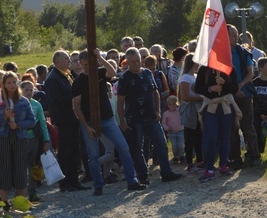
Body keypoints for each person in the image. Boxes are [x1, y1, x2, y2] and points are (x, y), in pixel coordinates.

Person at [72, 49, 147, 195]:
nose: (88, 67)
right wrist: (86, 126)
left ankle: (132, 180)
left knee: (123, 147)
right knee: (93, 155)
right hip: (89, 121)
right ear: (81, 64)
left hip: (107, 118)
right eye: (85, 64)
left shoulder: (100, 72)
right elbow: (76, 106)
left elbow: (112, 72)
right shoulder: (78, 82)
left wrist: (100, 57)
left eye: (90, 64)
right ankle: (98, 184)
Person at [116, 48, 182, 184]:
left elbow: (155, 93)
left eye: (137, 61)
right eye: (132, 62)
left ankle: (166, 172)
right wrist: (122, 122)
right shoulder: (124, 78)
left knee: (161, 144)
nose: (136, 64)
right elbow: (120, 101)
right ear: (127, 62)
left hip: (151, 116)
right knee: (137, 148)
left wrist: (158, 111)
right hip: (134, 119)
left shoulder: (147, 73)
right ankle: (143, 175)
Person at [44, 50, 90, 192]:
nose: (69, 61)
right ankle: (65, 183)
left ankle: (74, 180)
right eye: (65, 58)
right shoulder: (53, 79)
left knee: (74, 150)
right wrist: (74, 94)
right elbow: (55, 101)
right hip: (64, 120)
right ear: (57, 62)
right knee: (65, 151)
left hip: (72, 118)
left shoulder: (66, 75)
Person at [0, 71, 36, 206]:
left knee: (20, 169)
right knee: (4, 169)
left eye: (14, 82)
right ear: (3, 84)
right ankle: (4, 202)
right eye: (8, 83)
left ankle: (20, 201)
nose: (12, 85)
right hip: (3, 139)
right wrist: (4, 116)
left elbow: (32, 120)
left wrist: (18, 125)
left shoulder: (24, 101)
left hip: (20, 138)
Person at [194, 63, 240, 180]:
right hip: (211, 107)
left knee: (225, 137)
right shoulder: (204, 69)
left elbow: (235, 88)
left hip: (225, 107)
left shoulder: (229, 67)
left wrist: (225, 83)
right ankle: (209, 168)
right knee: (210, 138)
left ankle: (223, 165)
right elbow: (197, 88)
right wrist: (210, 88)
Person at [228, 25, 260, 168]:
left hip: (245, 94)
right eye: (233, 35)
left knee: (248, 126)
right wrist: (234, 90)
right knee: (232, 129)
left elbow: (250, 73)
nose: (236, 38)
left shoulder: (243, 53)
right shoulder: (219, 55)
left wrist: (240, 86)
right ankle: (235, 158)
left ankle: (254, 155)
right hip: (228, 97)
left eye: (236, 35)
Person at [19, 79, 51, 202]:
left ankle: (32, 193)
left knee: (33, 166)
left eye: (31, 89)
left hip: (33, 139)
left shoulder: (37, 105)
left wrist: (46, 140)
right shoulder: (17, 103)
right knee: (20, 167)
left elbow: (42, 123)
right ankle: (20, 195)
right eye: (26, 89)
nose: (29, 92)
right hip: (20, 138)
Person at [178, 53, 203, 172]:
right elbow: (185, 96)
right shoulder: (186, 78)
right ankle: (189, 163)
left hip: (198, 109)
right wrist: (201, 97)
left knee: (199, 135)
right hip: (189, 110)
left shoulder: (196, 76)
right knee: (189, 137)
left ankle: (200, 160)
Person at [162, 96, 184, 163]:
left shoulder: (179, 111)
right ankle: (176, 156)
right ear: (167, 105)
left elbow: (183, 116)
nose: (172, 106)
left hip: (180, 130)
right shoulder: (166, 114)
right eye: (170, 104)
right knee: (174, 145)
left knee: (180, 144)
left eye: (173, 104)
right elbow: (163, 123)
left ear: (176, 104)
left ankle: (181, 155)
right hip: (171, 132)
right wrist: (167, 128)